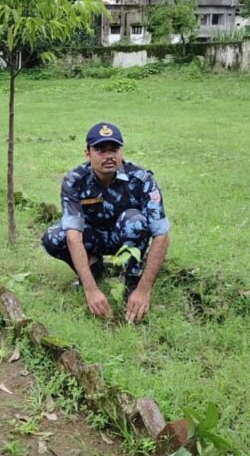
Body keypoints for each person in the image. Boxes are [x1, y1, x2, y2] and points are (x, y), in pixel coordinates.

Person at [42, 122, 170, 323]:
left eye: (114, 149)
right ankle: (95, 270)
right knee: (53, 237)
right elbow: (73, 234)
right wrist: (90, 289)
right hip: (93, 237)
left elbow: (161, 234)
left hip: (126, 238)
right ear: (87, 154)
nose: (108, 156)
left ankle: (133, 282)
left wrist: (144, 290)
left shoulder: (141, 179)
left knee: (135, 221)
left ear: (122, 151)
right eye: (100, 150)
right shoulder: (75, 180)